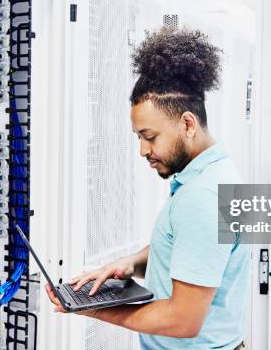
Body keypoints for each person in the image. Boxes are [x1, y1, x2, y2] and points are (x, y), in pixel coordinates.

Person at [45, 27, 250, 349]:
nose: (143, 150)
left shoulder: (203, 197)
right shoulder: (212, 173)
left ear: (187, 124)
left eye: (150, 137)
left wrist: (94, 308)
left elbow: (182, 320)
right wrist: (132, 263)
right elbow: (192, 250)